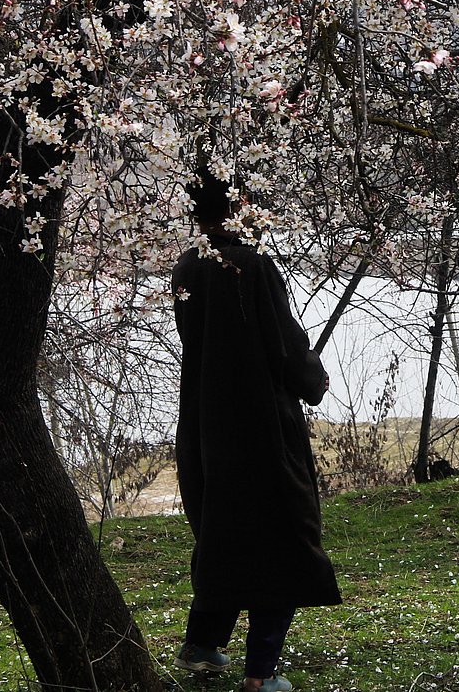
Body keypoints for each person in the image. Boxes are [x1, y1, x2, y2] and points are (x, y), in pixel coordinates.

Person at [172, 170, 341, 692]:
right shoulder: (253, 268)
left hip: (206, 428)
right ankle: (259, 675)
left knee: (225, 537)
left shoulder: (186, 268)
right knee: (280, 541)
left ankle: (202, 646)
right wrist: (313, 377)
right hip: (262, 431)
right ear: (236, 206)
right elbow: (284, 347)